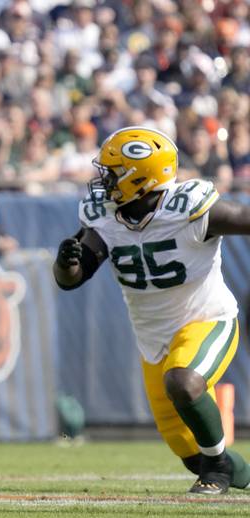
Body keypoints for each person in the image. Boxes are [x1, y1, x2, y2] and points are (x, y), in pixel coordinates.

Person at [54, 126, 250, 495]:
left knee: (183, 382)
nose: (103, 181)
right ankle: (229, 468)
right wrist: (66, 261)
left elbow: (244, 217)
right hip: (153, 340)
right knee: (192, 452)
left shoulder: (188, 210)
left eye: (113, 174)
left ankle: (218, 473)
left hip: (208, 319)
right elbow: (71, 279)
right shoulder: (106, 218)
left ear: (139, 179)